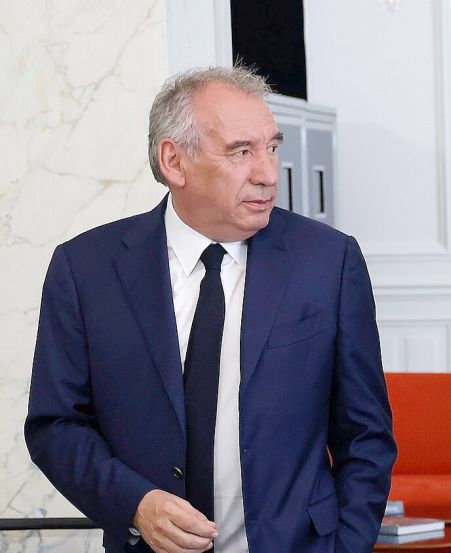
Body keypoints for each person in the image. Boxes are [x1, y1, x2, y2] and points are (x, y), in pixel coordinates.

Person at [25, 66, 397, 553]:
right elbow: (57, 425)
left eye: (272, 147)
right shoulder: (86, 270)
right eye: (241, 152)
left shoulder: (328, 261)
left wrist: (346, 546)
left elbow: (366, 434)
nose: (267, 174)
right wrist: (135, 503)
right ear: (175, 162)